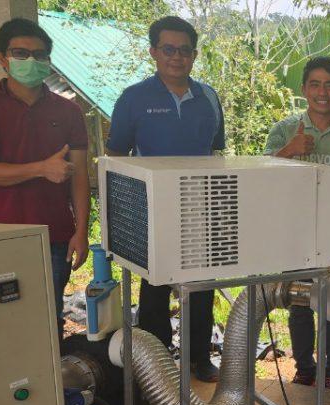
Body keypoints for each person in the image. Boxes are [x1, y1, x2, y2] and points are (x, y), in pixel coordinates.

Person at [106, 16, 226, 383]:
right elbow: (116, 157)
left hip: (199, 210)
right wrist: (124, 214)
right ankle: (156, 367)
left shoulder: (209, 97)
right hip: (151, 213)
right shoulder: (134, 98)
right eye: (169, 49)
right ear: (154, 52)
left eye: (185, 50)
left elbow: (216, 151)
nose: (177, 57)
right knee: (154, 288)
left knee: (201, 287)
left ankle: (198, 359)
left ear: (194, 55)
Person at [0, 18, 90, 342]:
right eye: (21, 53)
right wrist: (41, 169)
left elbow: (79, 176)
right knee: (2, 321)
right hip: (0, 237)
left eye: (40, 55)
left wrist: (81, 232)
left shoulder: (69, 112)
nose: (31, 61)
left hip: (55, 236)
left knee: (48, 320)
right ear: (2, 58)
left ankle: (54, 374)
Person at [265, 56, 330, 390]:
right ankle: (304, 369)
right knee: (299, 302)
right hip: (294, 228)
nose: (322, 92)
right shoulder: (285, 129)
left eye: (329, 85)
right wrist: (289, 150)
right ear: (303, 89)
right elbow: (260, 174)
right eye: (315, 84)